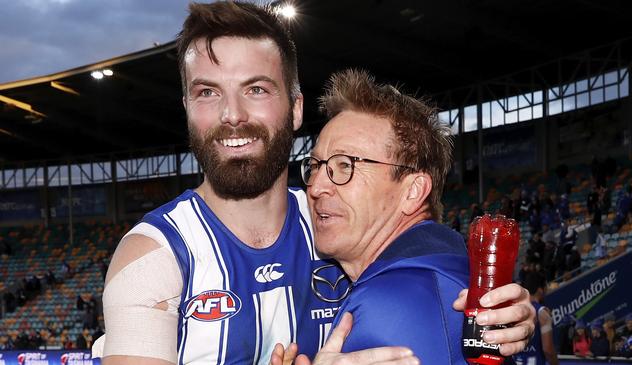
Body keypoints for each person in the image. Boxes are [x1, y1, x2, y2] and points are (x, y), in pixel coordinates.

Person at [100, 3, 535, 365]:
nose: (231, 114)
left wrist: (508, 317)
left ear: (294, 108)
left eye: (255, 89)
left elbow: (430, 267)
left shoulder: (335, 224)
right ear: (187, 108)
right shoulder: (152, 258)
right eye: (208, 92)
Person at [274, 69, 534, 364]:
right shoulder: (454, 274)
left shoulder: (383, 305)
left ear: (412, 191)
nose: (317, 186)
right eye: (316, 166)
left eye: (345, 166)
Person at [513, 279, 558, 365]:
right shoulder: (542, 312)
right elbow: (548, 350)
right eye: (545, 288)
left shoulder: (516, 310)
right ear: (540, 290)